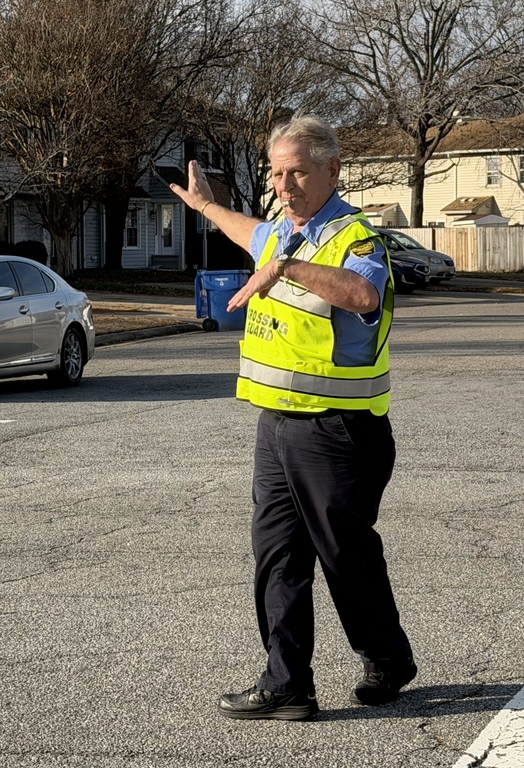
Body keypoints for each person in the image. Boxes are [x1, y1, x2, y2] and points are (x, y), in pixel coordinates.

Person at [169, 114, 415, 721]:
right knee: (276, 553)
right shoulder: (282, 231)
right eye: (277, 174)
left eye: (297, 173)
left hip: (339, 429)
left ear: (333, 170)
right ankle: (287, 685)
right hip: (277, 425)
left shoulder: (356, 238)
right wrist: (206, 207)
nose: (284, 186)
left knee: (344, 557)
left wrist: (284, 268)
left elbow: (362, 294)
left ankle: (386, 659)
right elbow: (248, 230)